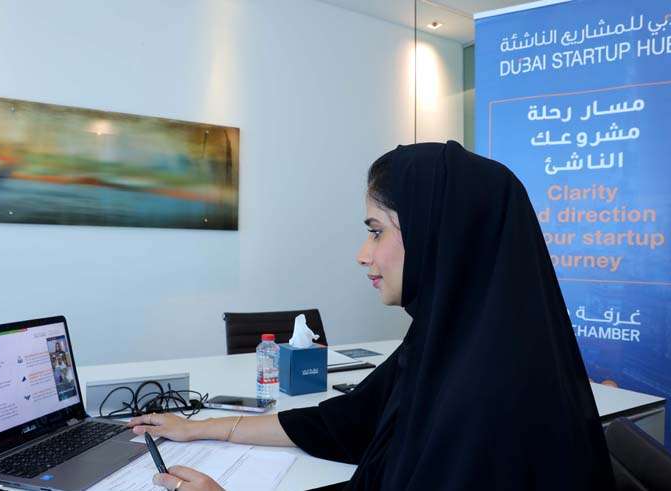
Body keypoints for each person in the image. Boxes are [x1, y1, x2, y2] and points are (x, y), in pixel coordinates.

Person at [128, 142, 615, 490]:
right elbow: (341, 421)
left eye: (376, 231)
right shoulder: (445, 343)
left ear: (438, 236)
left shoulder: (489, 401)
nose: (363, 254)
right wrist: (201, 427)